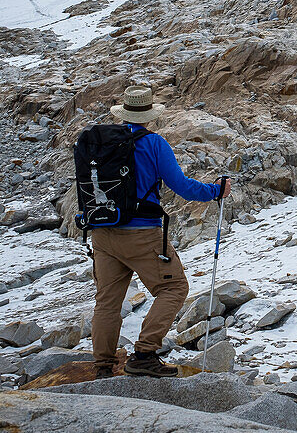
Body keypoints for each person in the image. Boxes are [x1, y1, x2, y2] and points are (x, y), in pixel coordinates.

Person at [91, 86, 230, 378]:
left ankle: (103, 366)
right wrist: (215, 191)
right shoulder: (154, 143)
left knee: (107, 302)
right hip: (142, 233)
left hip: (102, 233)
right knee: (174, 288)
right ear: (149, 115)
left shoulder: (101, 144)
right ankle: (144, 354)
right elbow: (180, 186)